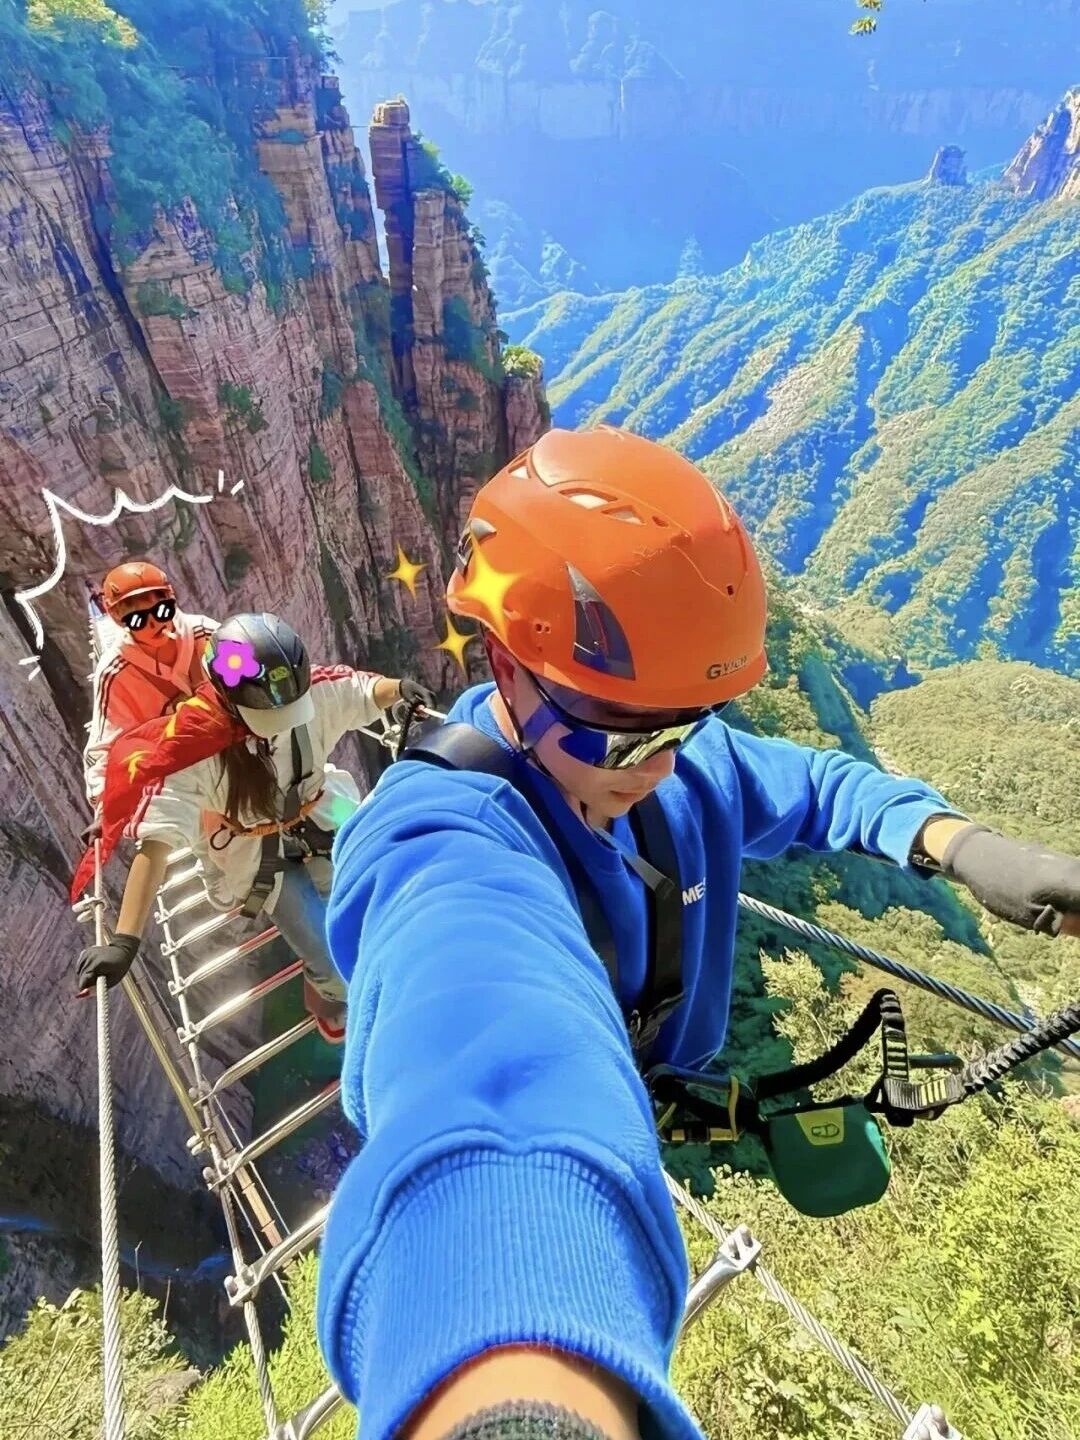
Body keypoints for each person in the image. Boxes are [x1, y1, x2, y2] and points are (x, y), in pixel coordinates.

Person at [315, 427, 1080, 1440]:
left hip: (667, 1083)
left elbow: (811, 782)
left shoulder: (668, 758)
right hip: (600, 1102)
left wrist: (956, 842)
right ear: (506, 668)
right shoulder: (436, 837)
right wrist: (516, 1389)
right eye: (626, 730)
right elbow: (490, 1069)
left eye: (687, 721)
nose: (664, 764)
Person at [74, 612, 433, 1043]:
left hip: (324, 817)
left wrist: (397, 690)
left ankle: (339, 983)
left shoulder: (311, 694)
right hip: (260, 854)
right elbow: (157, 846)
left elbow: (359, 689)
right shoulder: (189, 748)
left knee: (378, 904)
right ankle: (329, 995)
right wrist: (124, 941)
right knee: (336, 966)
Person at [84, 560, 219, 833]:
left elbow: (251, 668)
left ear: (171, 599)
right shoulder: (117, 674)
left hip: (234, 750)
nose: (154, 623)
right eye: (138, 619)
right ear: (118, 620)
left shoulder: (204, 633)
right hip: (186, 776)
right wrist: (105, 806)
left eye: (162, 610)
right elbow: (107, 747)